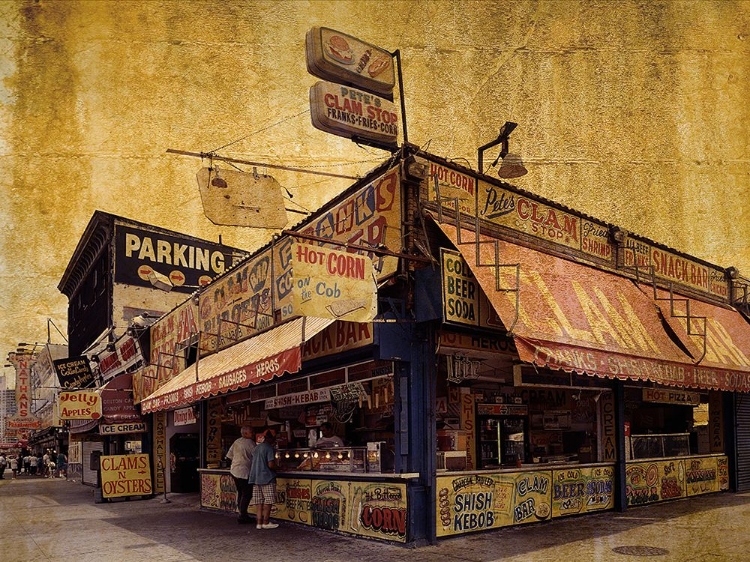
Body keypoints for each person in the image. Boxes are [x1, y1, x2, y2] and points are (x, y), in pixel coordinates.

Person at [248, 430, 278, 529]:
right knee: (268, 501)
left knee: (259, 502)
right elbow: (271, 464)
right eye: (274, 438)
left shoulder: (256, 448)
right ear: (270, 438)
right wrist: (279, 467)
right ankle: (266, 522)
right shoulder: (269, 448)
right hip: (267, 478)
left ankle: (259, 523)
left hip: (256, 478)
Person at [226, 426, 256, 524]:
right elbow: (257, 456)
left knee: (241, 492)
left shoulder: (236, 442)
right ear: (245, 433)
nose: (253, 433)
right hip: (244, 471)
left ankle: (241, 513)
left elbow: (229, 456)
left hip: (235, 470)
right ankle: (243, 515)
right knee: (247, 493)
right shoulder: (250, 443)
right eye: (251, 432)